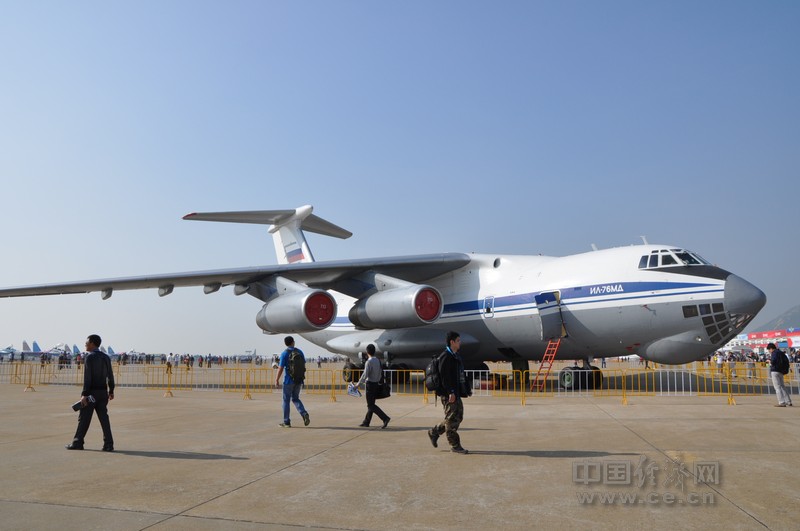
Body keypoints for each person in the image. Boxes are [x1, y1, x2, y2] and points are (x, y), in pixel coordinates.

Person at [66, 334, 115, 451]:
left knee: (84, 418)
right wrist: (111, 390)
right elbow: (110, 375)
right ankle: (108, 444)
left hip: (92, 393)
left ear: (92, 343)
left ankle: (78, 442)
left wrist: (84, 394)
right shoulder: (106, 357)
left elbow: (88, 378)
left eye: (87, 342)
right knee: (104, 419)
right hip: (103, 392)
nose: (85, 344)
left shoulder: (90, 357)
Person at [427, 331, 470, 454]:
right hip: (448, 393)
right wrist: (450, 392)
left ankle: (435, 431)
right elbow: (445, 377)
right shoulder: (445, 356)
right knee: (451, 420)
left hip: (456, 392)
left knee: (458, 417)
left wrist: (465, 389)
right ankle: (455, 445)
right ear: (452, 342)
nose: (460, 343)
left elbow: (459, 375)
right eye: (458, 341)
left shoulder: (455, 356)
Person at [275, 336, 310, 427]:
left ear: (285, 343)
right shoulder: (300, 352)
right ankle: (304, 413)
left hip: (288, 381)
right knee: (295, 398)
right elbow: (303, 365)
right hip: (298, 380)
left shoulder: (284, 353)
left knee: (286, 401)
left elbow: (280, 368)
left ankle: (286, 421)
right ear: (293, 342)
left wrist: (277, 379)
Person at [356, 344, 390, 429]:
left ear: (367, 352)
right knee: (371, 404)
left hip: (370, 385)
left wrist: (358, 385)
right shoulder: (378, 360)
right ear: (374, 351)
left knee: (370, 405)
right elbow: (380, 373)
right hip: (376, 384)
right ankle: (366, 422)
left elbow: (365, 375)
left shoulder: (369, 362)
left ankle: (385, 418)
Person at [767, 343, 792, 407]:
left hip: (775, 371)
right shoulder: (781, 353)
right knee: (782, 386)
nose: (769, 351)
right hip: (781, 371)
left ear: (771, 348)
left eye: (769, 350)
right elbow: (786, 361)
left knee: (777, 387)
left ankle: (781, 402)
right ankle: (788, 401)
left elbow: (773, 361)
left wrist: (769, 361)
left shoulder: (774, 353)